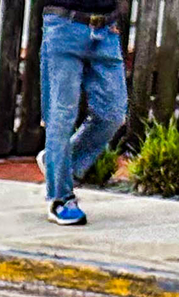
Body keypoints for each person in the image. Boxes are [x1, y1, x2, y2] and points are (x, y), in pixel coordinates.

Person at [39, 0, 129, 226]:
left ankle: (57, 164)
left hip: (106, 30)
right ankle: (60, 199)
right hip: (64, 25)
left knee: (113, 113)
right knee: (61, 116)